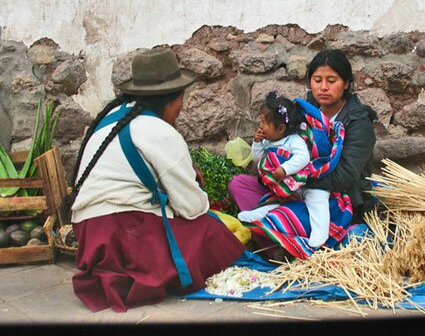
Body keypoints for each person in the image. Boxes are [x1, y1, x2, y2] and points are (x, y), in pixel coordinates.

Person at [69, 47, 245, 313]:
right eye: (182, 100)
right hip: (122, 234)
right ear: (175, 99)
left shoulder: (112, 119)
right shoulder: (160, 132)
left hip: (89, 235)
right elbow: (193, 208)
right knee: (212, 232)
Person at [228, 49, 377, 259]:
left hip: (332, 195)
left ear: (346, 83)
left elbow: (346, 175)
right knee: (239, 185)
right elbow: (285, 144)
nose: (323, 87)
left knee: (287, 213)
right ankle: (285, 241)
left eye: (331, 80)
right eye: (317, 80)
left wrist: (297, 183)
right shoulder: (303, 112)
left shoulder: (358, 123)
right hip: (294, 186)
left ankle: (287, 244)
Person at [237, 91, 331, 248]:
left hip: (308, 182)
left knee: (318, 199)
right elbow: (259, 160)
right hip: (286, 188)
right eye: (261, 121)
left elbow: (303, 158)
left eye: (265, 122)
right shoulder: (268, 141)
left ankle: (320, 233)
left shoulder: (294, 140)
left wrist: (284, 169)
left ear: (281, 129)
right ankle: (260, 215)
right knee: (275, 202)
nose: (260, 125)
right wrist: (257, 143)